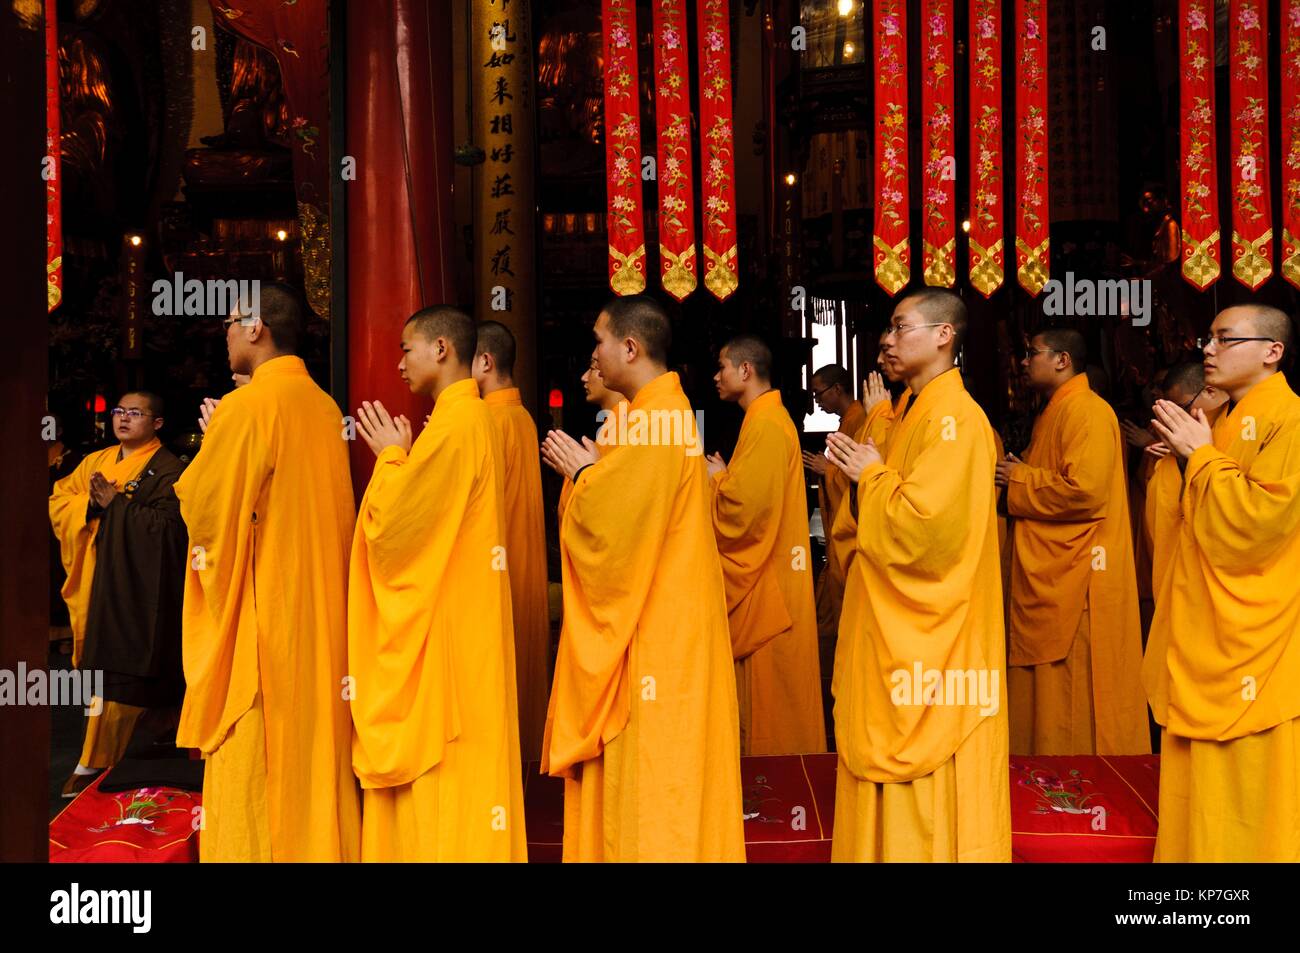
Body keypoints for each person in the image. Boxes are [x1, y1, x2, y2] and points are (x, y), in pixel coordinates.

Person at [540, 294, 745, 861]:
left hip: (660, 634)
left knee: (657, 783)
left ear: (629, 347)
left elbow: (615, 532)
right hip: (662, 624)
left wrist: (584, 474)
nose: (593, 357)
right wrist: (594, 476)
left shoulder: (659, 419)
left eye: (598, 343)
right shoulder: (655, 413)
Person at [173, 283, 360, 861]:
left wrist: (216, 439)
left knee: (255, 754)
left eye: (230, 322)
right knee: (313, 744)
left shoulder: (247, 407)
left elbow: (207, 512)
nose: (224, 333)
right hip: (322, 614)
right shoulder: (324, 404)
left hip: (266, 616)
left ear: (256, 329)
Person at [824, 287, 1010, 862]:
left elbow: (929, 534)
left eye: (901, 327)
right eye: (887, 328)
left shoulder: (955, 420)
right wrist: (870, 477)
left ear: (943, 336)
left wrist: (872, 477)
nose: (886, 338)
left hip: (936, 644)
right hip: (894, 631)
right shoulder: (913, 414)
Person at [349, 305, 526, 861]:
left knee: (448, 775)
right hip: (463, 622)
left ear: (442, 349)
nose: (399, 363)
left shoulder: (457, 424)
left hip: (450, 635)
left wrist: (391, 457)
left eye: (406, 348)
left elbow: (397, 533)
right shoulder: (459, 420)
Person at [1144, 304, 1300, 861]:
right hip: (1204, 628)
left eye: (1224, 339)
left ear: (1271, 351)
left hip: (1253, 638)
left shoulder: (1289, 417)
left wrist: (1202, 458)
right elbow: (1190, 525)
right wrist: (1186, 462)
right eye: (1208, 339)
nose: (1207, 350)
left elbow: (1260, 524)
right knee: (1197, 792)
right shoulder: (1226, 420)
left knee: (1248, 787)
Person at [998, 329, 1149, 756]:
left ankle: (1087, 791)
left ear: (1063, 360)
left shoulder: (1088, 411)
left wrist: (1020, 477)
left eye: (1031, 353)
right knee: (1048, 690)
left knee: (1076, 687)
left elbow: (1085, 491)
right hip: (1052, 574)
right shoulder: (1055, 412)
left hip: (1081, 575)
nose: (1024, 362)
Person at [49, 392, 186, 796]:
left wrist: (117, 507)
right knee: (100, 663)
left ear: (157, 423)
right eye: (119, 412)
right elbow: (59, 499)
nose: (124, 419)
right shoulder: (97, 461)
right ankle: (161, 724)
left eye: (136, 413)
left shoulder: (168, 469)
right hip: (96, 578)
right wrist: (90, 507)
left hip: (134, 590)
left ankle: (93, 760)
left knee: (114, 671)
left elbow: (173, 531)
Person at [707, 334, 825, 755]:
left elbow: (744, 513)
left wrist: (716, 480)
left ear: (745, 370)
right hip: (773, 578)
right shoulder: (763, 420)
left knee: (774, 700)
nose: (716, 376)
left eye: (722, 366)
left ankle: (783, 787)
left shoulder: (768, 425)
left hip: (770, 590)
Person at [471, 320, 550, 763]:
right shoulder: (519, 416)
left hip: (495, 577)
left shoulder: (488, 419)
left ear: (485, 362)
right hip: (524, 570)